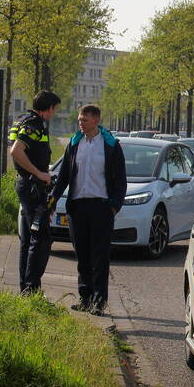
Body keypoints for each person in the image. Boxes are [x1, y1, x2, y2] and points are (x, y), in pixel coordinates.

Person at [50, 104, 126, 314]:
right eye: (80, 119)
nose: (80, 123)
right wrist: (54, 198)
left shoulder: (110, 145)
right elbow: (65, 174)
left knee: (100, 256)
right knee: (82, 255)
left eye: (84, 120)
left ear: (96, 121)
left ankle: (100, 302)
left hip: (101, 207)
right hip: (77, 206)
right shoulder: (75, 143)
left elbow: (120, 179)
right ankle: (85, 298)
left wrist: (114, 206)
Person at [9, 90, 60, 295]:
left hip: (26, 184)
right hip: (32, 187)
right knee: (41, 240)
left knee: (29, 239)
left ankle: (26, 288)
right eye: (54, 109)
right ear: (49, 108)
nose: (53, 114)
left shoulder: (21, 119)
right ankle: (31, 290)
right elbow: (16, 151)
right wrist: (39, 173)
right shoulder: (34, 123)